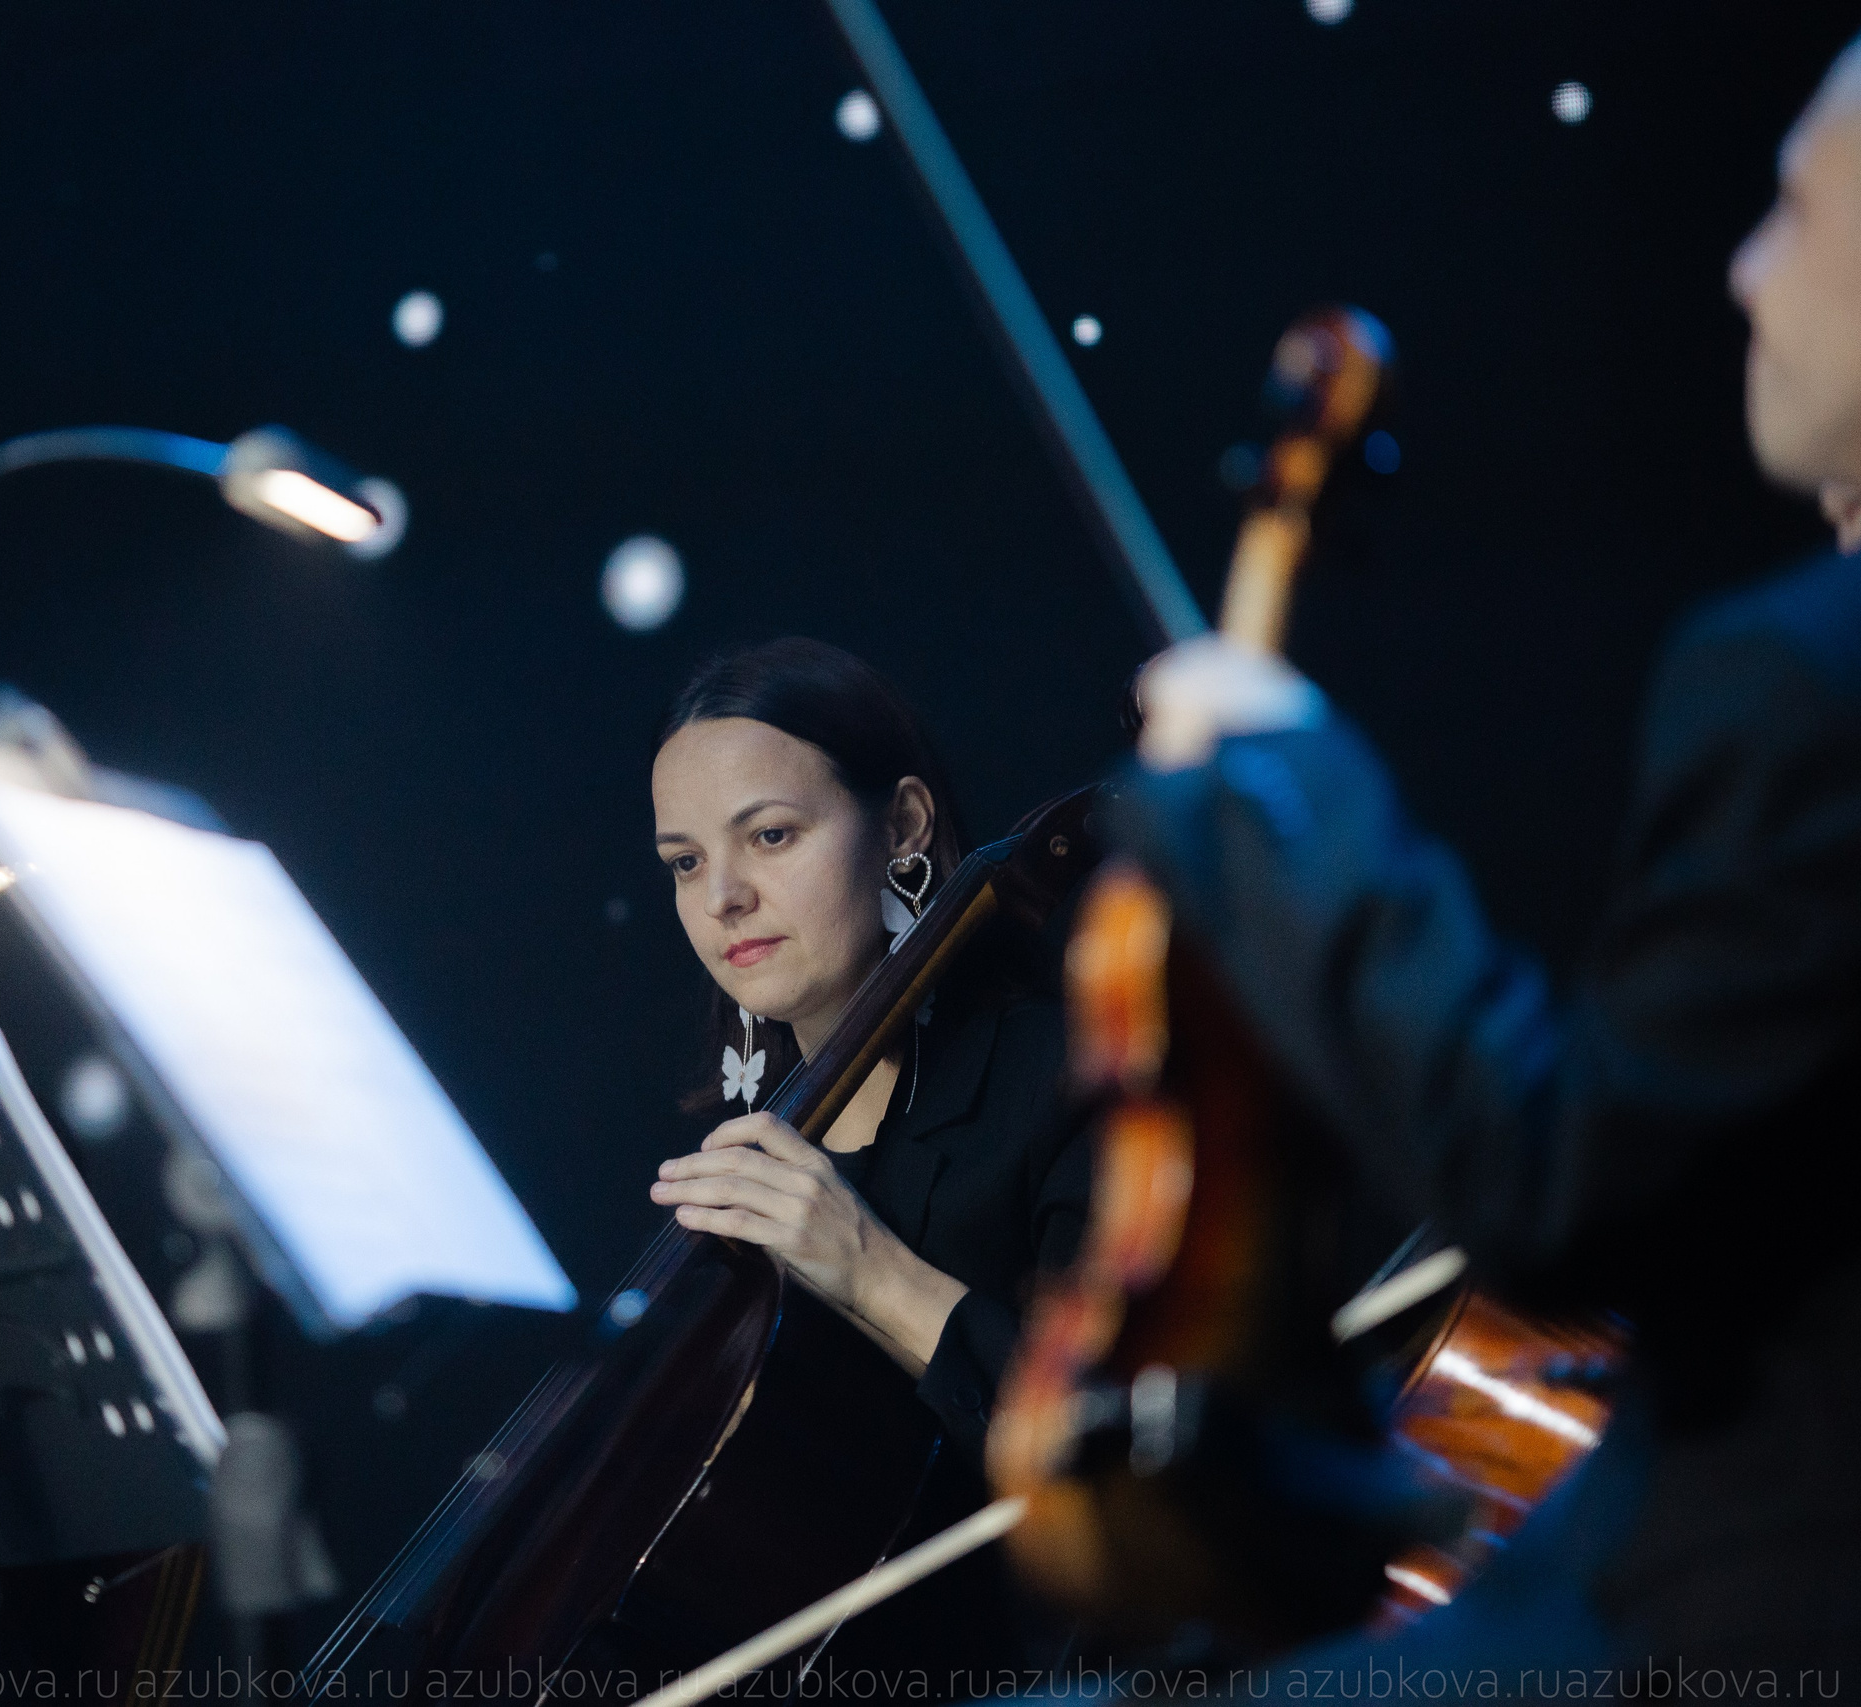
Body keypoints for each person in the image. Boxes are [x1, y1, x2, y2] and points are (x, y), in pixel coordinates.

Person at [1101, 38, 1861, 1673]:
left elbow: (1553, 1193)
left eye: (1798, 214)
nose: (1744, 269)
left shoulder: (1806, 672)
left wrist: (1284, 782)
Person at [645, 637, 1088, 1674]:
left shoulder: (1068, 1075)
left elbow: (1134, 1454)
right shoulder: (741, 1169)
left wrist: (870, 1269)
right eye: (685, 862)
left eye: (770, 835)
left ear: (902, 825)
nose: (722, 897)